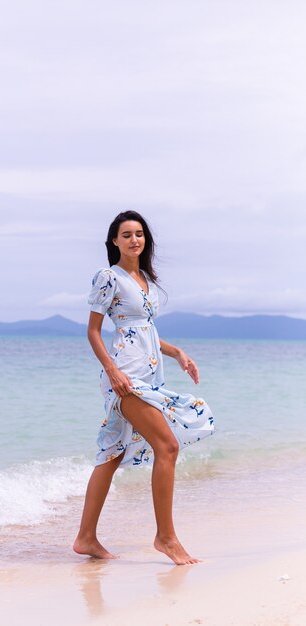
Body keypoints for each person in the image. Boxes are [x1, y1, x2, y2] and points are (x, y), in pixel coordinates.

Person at [73, 211, 215, 565]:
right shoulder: (109, 277)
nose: (135, 239)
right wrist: (112, 371)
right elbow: (93, 331)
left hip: (148, 375)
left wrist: (177, 352)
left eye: (139, 234)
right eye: (126, 234)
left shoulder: (144, 279)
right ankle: (166, 538)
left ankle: (85, 538)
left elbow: (143, 330)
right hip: (124, 375)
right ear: (114, 241)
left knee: (113, 453)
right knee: (166, 446)